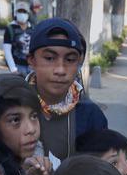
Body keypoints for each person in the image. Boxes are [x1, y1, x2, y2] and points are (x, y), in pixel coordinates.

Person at [26, 18, 107, 159]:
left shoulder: (91, 116)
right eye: (50, 58)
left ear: (79, 64)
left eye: (70, 60)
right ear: (32, 60)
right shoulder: (9, 104)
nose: (60, 70)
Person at [3, 1, 34, 76]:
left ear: (28, 13)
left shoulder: (33, 28)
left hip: (31, 67)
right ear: (16, 13)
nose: (22, 13)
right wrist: (13, 69)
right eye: (20, 11)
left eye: (24, 11)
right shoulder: (10, 28)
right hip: (17, 66)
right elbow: (7, 50)